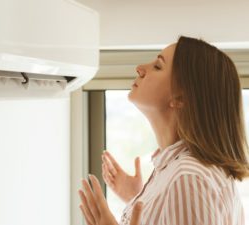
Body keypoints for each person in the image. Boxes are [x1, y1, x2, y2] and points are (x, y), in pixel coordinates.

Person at [78, 35, 249, 225]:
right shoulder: (179, 173)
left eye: (158, 66)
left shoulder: (188, 179)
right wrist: (137, 197)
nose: (140, 68)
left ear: (181, 98)